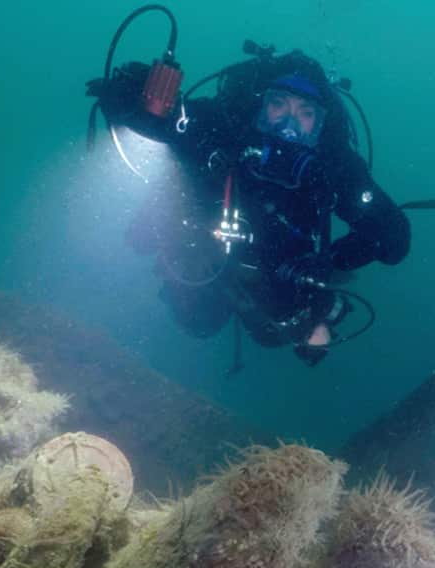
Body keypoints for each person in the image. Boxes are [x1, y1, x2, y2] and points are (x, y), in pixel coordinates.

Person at [88, 43, 409, 366]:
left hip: (279, 265)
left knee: (272, 334)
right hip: (203, 240)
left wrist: (327, 264)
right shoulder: (224, 128)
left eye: (306, 113)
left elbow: (394, 237)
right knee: (199, 322)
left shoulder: (334, 164)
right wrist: (132, 97)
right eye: (279, 105)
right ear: (261, 106)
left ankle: (281, 302)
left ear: (321, 124)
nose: (289, 122)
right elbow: (162, 124)